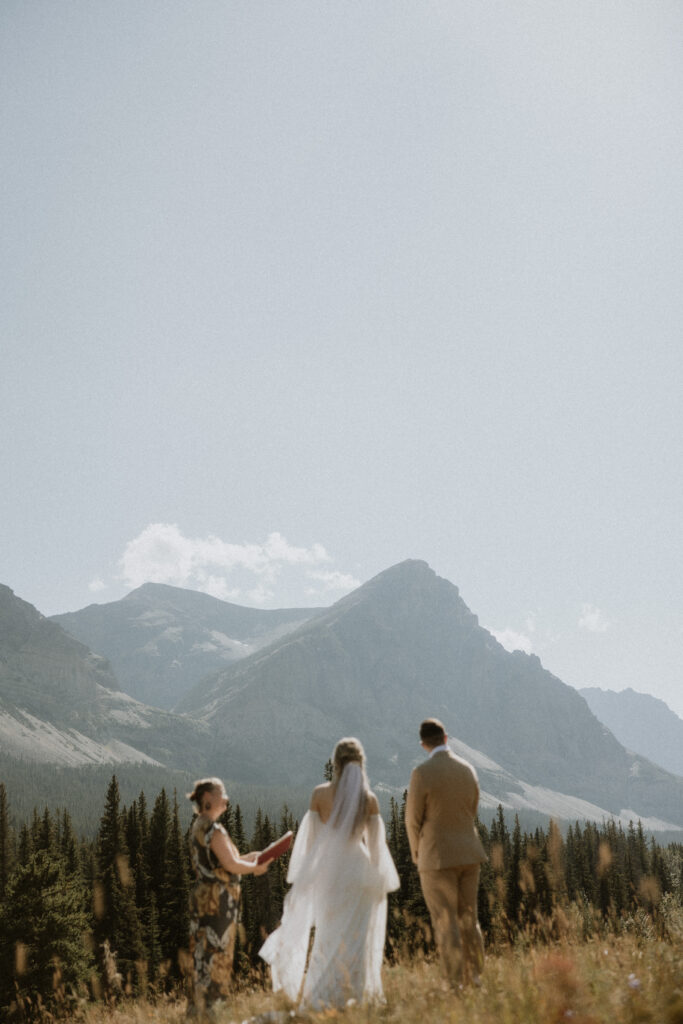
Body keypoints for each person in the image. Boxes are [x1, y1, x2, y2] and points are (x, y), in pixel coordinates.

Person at [259, 737, 399, 1010]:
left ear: (335, 763)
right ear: (360, 764)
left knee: (327, 935)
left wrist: (311, 875)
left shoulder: (320, 795)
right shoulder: (368, 800)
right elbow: (375, 851)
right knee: (357, 940)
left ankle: (321, 997)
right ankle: (354, 998)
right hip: (358, 875)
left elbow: (310, 843)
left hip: (330, 875)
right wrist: (375, 881)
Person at [405, 718, 487, 987]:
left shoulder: (422, 773)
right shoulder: (467, 769)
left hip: (437, 858)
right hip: (469, 853)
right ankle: (475, 976)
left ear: (423, 744)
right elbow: (472, 809)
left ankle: (454, 983)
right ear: (446, 738)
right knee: (468, 916)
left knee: (445, 920)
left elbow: (413, 820)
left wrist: (418, 854)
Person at [187, 777, 269, 1014]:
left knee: (202, 957)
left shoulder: (199, 826)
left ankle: (198, 1012)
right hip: (218, 903)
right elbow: (232, 865)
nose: (226, 799)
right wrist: (255, 867)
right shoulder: (215, 829)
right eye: (221, 794)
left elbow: (224, 864)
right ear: (207, 799)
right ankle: (214, 1012)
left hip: (203, 900)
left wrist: (255, 857)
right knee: (219, 957)